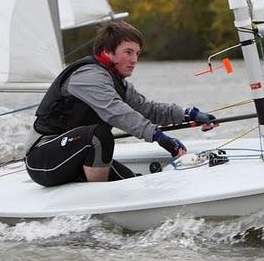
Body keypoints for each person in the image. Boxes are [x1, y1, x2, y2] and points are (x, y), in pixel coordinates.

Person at [25, 21, 218, 187]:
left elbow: (148, 109)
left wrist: (189, 113)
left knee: (133, 182)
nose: (134, 60)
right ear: (108, 52)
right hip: (43, 160)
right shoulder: (87, 77)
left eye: (137, 53)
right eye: (128, 52)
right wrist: (159, 137)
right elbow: (117, 112)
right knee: (99, 135)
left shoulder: (119, 84)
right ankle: (99, 200)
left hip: (77, 154)